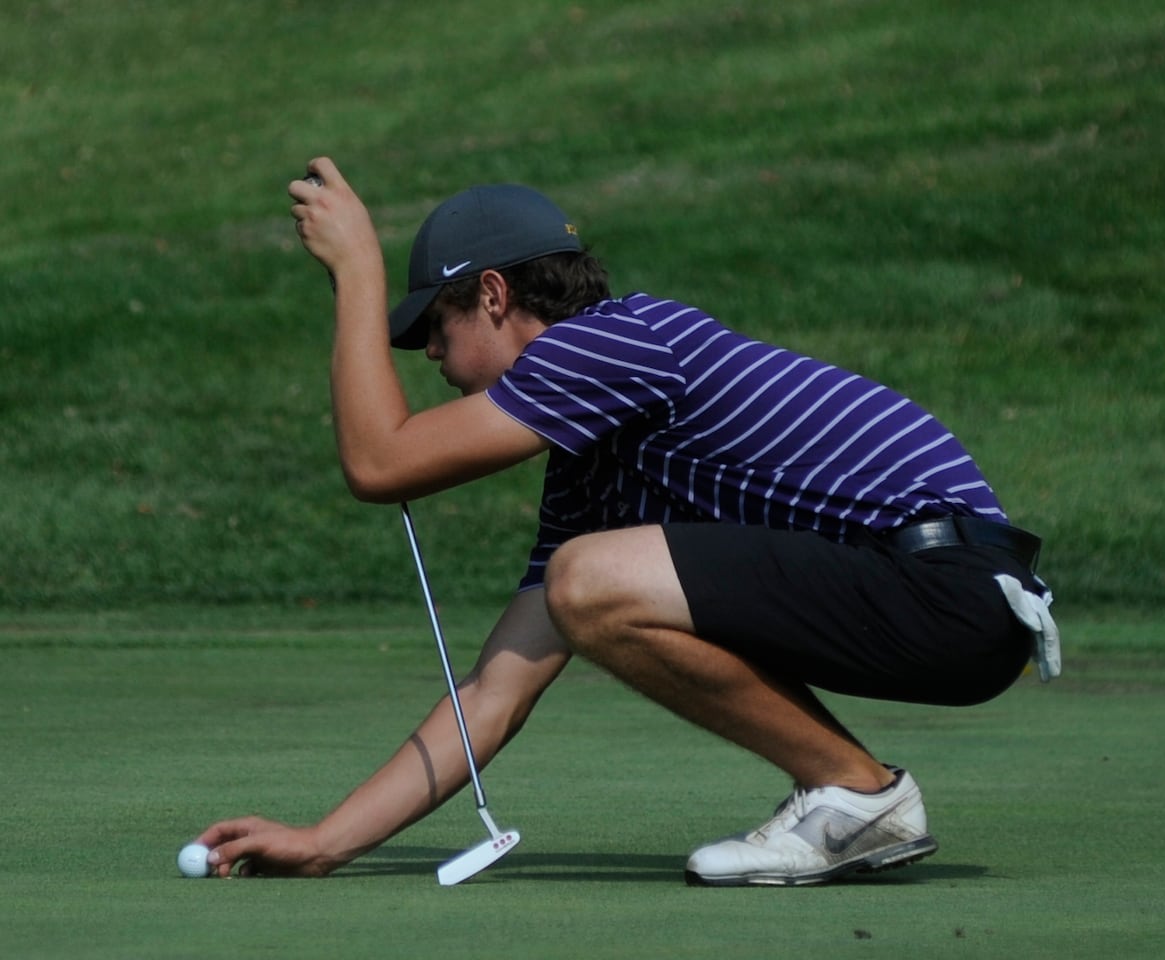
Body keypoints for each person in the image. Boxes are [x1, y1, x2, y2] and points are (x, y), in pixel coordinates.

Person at [198, 157, 1059, 886]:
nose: (428, 356)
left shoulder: (610, 342)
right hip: (927, 598)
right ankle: (855, 795)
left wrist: (357, 272)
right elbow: (493, 694)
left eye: (435, 325)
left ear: (493, 294)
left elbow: (380, 464)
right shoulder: (595, 471)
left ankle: (855, 793)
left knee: (586, 578)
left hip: (950, 589)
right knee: (584, 577)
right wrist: (325, 841)